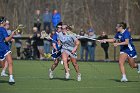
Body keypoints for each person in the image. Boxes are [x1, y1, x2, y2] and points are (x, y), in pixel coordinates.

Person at [0, 16, 15, 84]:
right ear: (2, 22)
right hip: (2, 47)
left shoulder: (3, 29)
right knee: (2, 65)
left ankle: (11, 78)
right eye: (5, 21)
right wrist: (11, 35)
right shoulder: (3, 29)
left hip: (5, 48)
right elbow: (6, 39)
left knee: (10, 62)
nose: (6, 22)